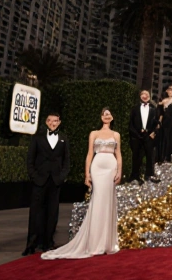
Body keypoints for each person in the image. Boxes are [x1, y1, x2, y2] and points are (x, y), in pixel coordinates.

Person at [43, 108, 121, 259]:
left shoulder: (116, 134)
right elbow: (90, 154)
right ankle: (94, 243)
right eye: (104, 114)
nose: (106, 116)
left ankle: (107, 243)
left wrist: (119, 171)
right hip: (97, 167)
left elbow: (119, 154)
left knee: (108, 203)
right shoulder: (94, 133)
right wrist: (87, 173)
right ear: (100, 117)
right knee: (97, 201)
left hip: (111, 168)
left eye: (109, 114)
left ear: (112, 117)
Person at [23, 112, 71, 255]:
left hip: (55, 181)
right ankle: (31, 244)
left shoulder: (63, 139)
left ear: (59, 122)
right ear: (46, 122)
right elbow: (30, 159)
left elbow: (66, 160)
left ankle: (48, 242)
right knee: (36, 212)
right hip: (40, 180)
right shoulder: (37, 138)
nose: (53, 123)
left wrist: (62, 176)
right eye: (50, 120)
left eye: (55, 121)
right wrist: (34, 176)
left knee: (52, 213)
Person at [129, 90, 159, 183]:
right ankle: (135, 176)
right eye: (143, 94)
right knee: (136, 156)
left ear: (149, 96)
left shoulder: (153, 109)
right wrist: (136, 133)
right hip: (137, 136)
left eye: (147, 94)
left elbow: (157, 122)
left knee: (150, 156)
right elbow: (131, 123)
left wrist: (154, 132)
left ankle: (149, 175)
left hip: (149, 136)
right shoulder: (135, 108)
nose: (145, 96)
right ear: (140, 96)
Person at [158, 86, 172, 162]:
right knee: (164, 138)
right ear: (167, 92)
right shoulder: (163, 101)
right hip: (165, 122)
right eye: (169, 91)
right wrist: (159, 122)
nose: (171, 92)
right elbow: (161, 113)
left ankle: (168, 156)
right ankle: (162, 156)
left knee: (171, 139)